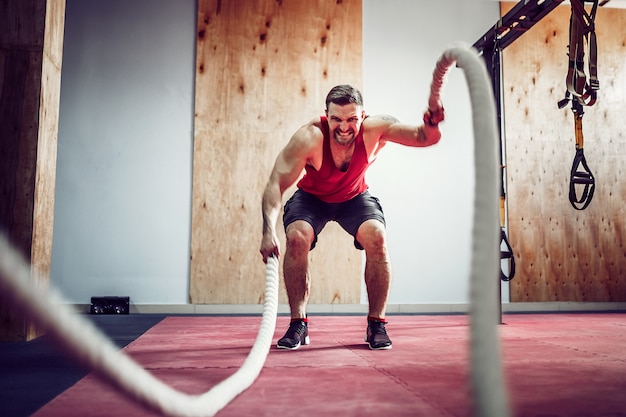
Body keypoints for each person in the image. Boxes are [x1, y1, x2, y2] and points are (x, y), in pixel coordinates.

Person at [259, 84, 444, 350]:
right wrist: (268, 230)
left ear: (363, 116)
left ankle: (376, 324)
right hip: (312, 198)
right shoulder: (309, 138)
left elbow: (424, 137)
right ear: (326, 115)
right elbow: (275, 184)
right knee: (297, 237)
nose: (344, 127)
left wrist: (432, 120)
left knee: (377, 236)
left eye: (352, 119)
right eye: (336, 119)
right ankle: (298, 323)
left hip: (354, 197)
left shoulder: (376, 130)